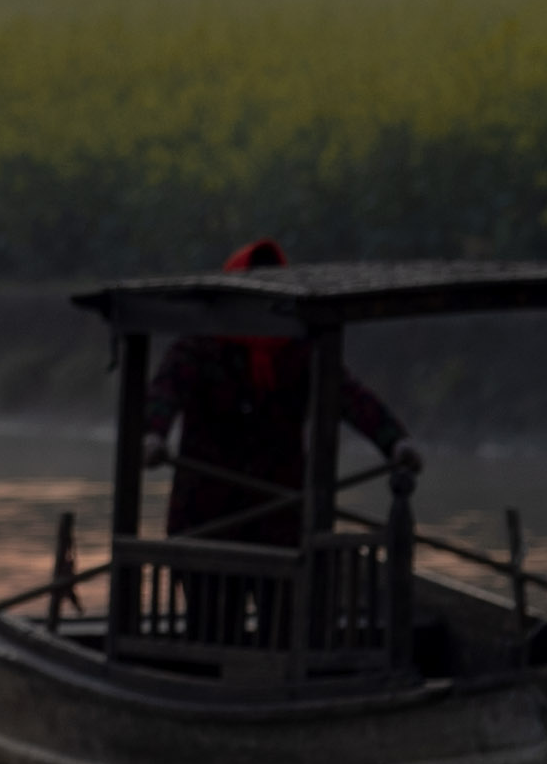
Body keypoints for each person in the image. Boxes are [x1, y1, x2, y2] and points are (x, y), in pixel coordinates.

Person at [148, 236, 415, 552]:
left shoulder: (298, 353)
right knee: (211, 598)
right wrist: (153, 435)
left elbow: (349, 397)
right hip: (205, 521)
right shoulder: (200, 348)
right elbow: (165, 393)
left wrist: (395, 442)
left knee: (283, 596)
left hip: (279, 521)